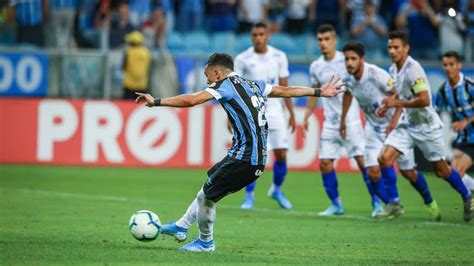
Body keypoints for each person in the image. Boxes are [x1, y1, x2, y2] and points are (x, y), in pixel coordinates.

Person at [135, 53, 345, 252]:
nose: (207, 80)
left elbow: (190, 100)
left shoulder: (223, 85)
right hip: (249, 156)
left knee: (208, 197)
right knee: (206, 189)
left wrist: (157, 102)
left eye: (207, 75)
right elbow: (286, 90)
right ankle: (182, 226)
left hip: (245, 159)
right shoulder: (254, 84)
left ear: (217, 73)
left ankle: (205, 243)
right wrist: (319, 92)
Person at [378, 31, 473, 222]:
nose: (392, 51)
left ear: (406, 48)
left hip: (426, 127)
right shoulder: (393, 70)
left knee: (442, 170)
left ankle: (467, 195)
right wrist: (389, 106)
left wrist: (397, 104)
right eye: (390, 47)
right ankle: (394, 203)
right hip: (407, 124)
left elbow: (424, 100)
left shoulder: (414, 69)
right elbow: (401, 95)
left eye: (396, 47)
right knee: (384, 158)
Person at [341, 41, 440, 220]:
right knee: (371, 171)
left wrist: (394, 119)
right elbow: (348, 93)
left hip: (397, 126)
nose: (349, 63)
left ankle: (429, 200)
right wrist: (342, 120)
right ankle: (393, 204)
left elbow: (399, 93)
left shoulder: (377, 74)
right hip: (373, 128)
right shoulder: (347, 77)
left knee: (408, 173)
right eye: (346, 59)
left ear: (362, 59)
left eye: (353, 59)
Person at [303, 24, 380, 216]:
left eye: (327, 39)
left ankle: (377, 202)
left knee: (363, 163)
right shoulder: (316, 66)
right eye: (320, 40)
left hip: (351, 122)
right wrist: (307, 114)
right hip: (330, 123)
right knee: (325, 164)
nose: (323, 43)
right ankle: (336, 204)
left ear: (335, 40)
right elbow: (315, 91)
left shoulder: (346, 60)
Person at [234, 22, 296, 210]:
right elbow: (235, 89)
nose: (257, 38)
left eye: (261, 34)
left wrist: (291, 113)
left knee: (282, 155)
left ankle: (276, 190)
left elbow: (285, 87)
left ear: (268, 35)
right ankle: (249, 197)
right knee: (255, 157)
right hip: (254, 112)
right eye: (254, 35)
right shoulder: (243, 58)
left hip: (276, 111)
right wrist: (232, 116)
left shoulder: (279, 56)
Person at [434, 51, 474, 193]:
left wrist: (465, 122)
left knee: (456, 173)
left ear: (459, 66)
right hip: (465, 137)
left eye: (451, 64)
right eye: (445, 65)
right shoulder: (443, 91)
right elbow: (436, 113)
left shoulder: (470, 86)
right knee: (453, 175)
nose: (448, 68)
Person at [122, 31, 151, 100]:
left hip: (129, 84)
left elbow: (124, 66)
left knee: (128, 106)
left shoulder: (128, 52)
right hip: (142, 84)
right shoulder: (146, 52)